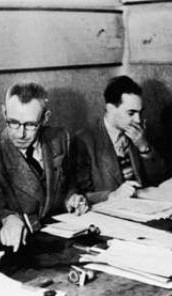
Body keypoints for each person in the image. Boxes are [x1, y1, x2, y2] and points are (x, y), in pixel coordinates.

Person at [0, 82, 75, 253]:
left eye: (31, 125)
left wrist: (72, 198)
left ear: (45, 118)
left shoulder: (59, 138)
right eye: (13, 122)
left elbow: (67, 183)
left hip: (64, 241)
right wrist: (7, 218)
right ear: (4, 113)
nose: (21, 133)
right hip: (20, 249)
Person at [71, 75, 165, 205]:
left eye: (140, 112)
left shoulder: (137, 131)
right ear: (110, 108)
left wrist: (144, 147)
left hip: (143, 206)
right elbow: (79, 196)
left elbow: (158, 178)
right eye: (131, 113)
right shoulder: (84, 141)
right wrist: (112, 195)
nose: (137, 120)